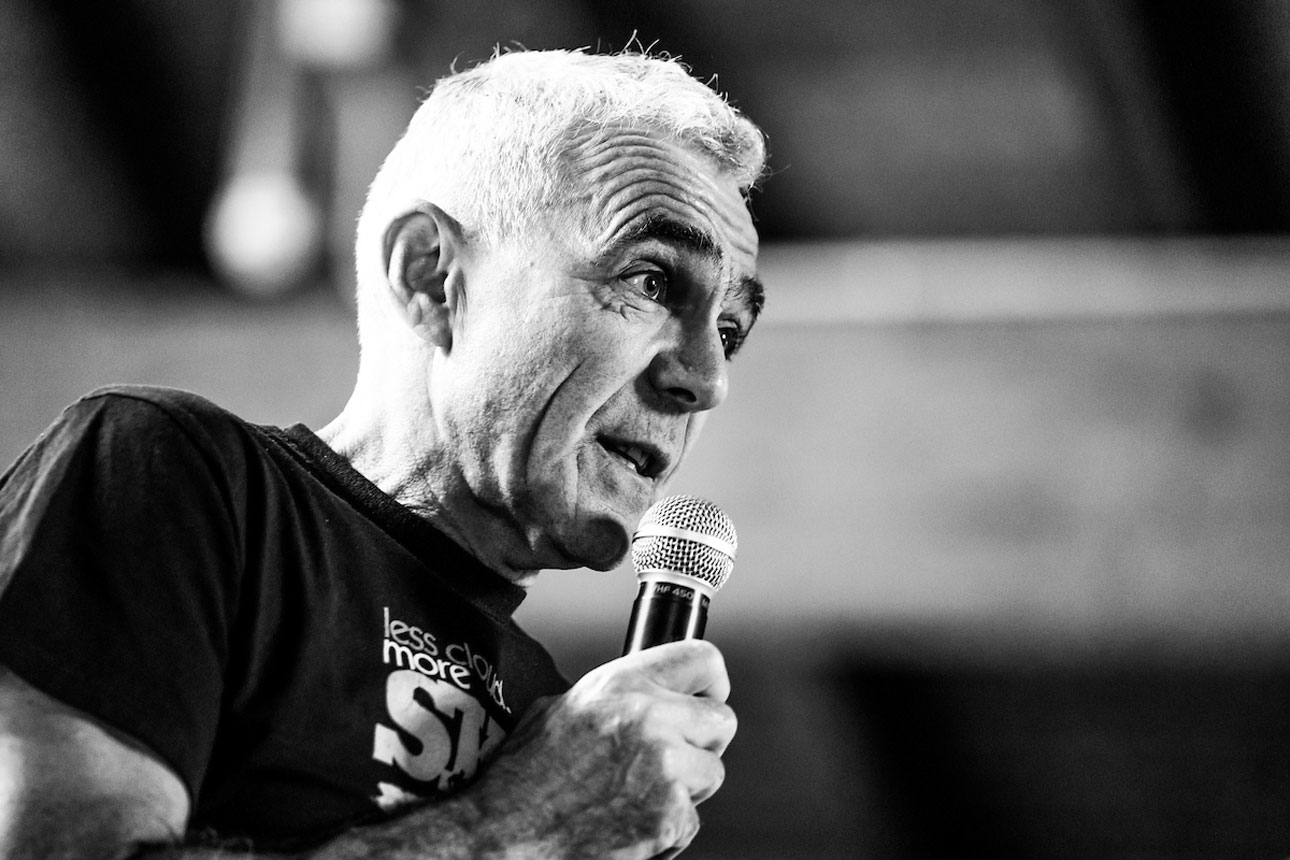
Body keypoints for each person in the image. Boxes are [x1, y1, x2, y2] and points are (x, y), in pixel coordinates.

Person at [0, 47, 767, 859]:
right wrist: (513, 825)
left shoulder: (555, 720)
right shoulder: (174, 475)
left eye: (729, 331)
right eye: (651, 281)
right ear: (432, 276)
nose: (707, 380)